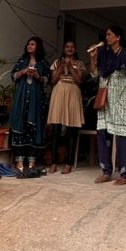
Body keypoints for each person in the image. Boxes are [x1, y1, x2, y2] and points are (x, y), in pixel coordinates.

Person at [90, 25, 126, 185]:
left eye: (109, 35)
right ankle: (106, 171)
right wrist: (93, 58)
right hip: (105, 95)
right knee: (103, 132)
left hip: (121, 96)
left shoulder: (125, 54)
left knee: (122, 134)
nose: (107, 37)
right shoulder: (103, 53)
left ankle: (125, 174)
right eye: (106, 35)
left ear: (118, 37)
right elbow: (95, 74)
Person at [10, 37, 50, 171]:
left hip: (36, 101)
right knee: (20, 125)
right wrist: (24, 71)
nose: (29, 46)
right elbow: (13, 76)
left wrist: (37, 76)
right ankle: (19, 160)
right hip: (21, 99)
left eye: (32, 44)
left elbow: (47, 80)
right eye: (28, 44)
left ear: (38, 47)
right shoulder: (22, 61)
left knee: (34, 128)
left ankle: (32, 161)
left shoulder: (43, 63)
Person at [47, 40, 85, 174]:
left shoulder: (79, 64)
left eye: (72, 47)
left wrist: (71, 67)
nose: (69, 49)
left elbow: (79, 80)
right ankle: (53, 163)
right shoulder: (57, 62)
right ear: (63, 49)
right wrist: (62, 65)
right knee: (56, 129)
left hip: (73, 93)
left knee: (71, 130)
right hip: (59, 92)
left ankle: (68, 163)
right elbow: (53, 80)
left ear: (75, 50)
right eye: (67, 47)